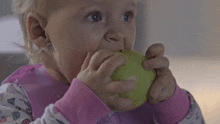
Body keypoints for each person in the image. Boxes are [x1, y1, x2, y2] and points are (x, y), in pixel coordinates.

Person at [0, 0, 205, 123]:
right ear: (40, 31)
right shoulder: (17, 96)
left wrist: (171, 102)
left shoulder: (139, 91)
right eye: (95, 16)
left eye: (127, 16)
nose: (119, 34)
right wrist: (80, 105)